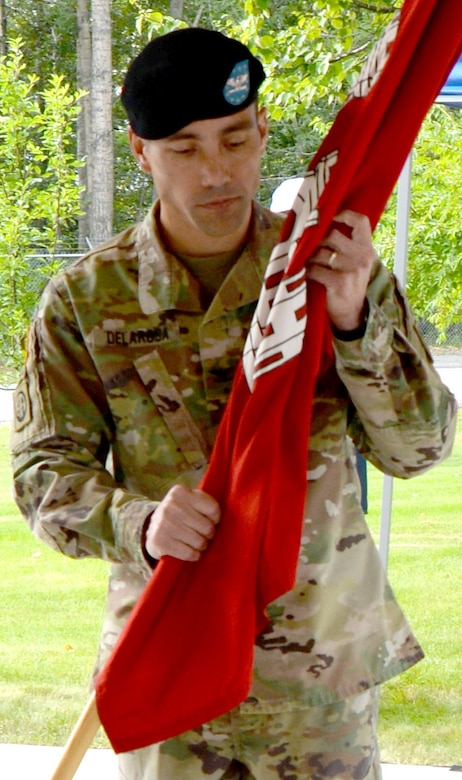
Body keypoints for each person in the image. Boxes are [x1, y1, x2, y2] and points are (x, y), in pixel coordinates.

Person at [10, 27, 457, 780]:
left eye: (234, 139)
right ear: (140, 150)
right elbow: (41, 474)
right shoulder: (86, 299)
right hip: (173, 664)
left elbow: (418, 449)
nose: (216, 171)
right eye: (183, 149)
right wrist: (140, 522)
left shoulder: (329, 267)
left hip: (320, 678)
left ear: (261, 132)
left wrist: (354, 321)